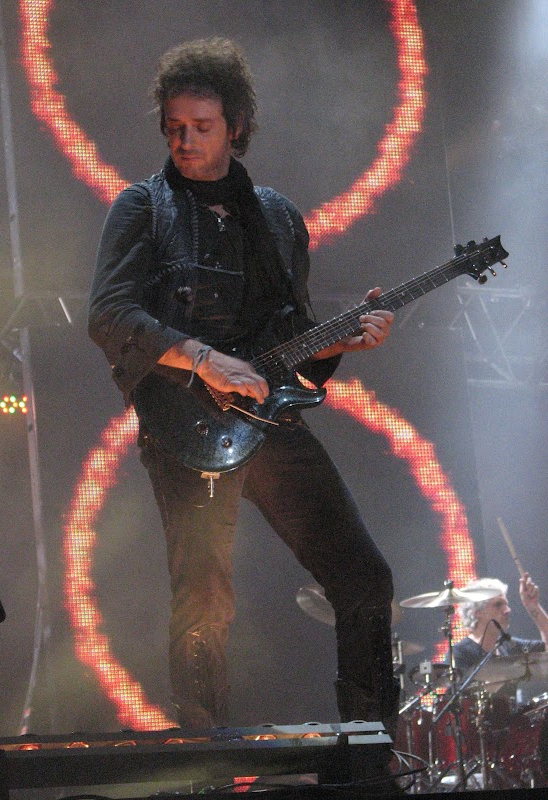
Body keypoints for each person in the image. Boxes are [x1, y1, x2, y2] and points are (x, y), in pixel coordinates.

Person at [88, 37, 397, 733]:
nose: (184, 141)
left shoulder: (279, 218)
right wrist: (201, 358)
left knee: (364, 579)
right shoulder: (143, 208)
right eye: (174, 127)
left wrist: (343, 341)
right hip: (185, 428)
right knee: (204, 604)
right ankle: (209, 765)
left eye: (201, 127)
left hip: (269, 423)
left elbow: (292, 349)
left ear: (236, 126)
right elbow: (108, 314)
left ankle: (371, 755)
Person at [454, 573, 548, 673]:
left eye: (506, 604)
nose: (507, 610)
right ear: (477, 612)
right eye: (498, 605)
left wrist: (533, 606)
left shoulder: (510, 646)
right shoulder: (460, 653)